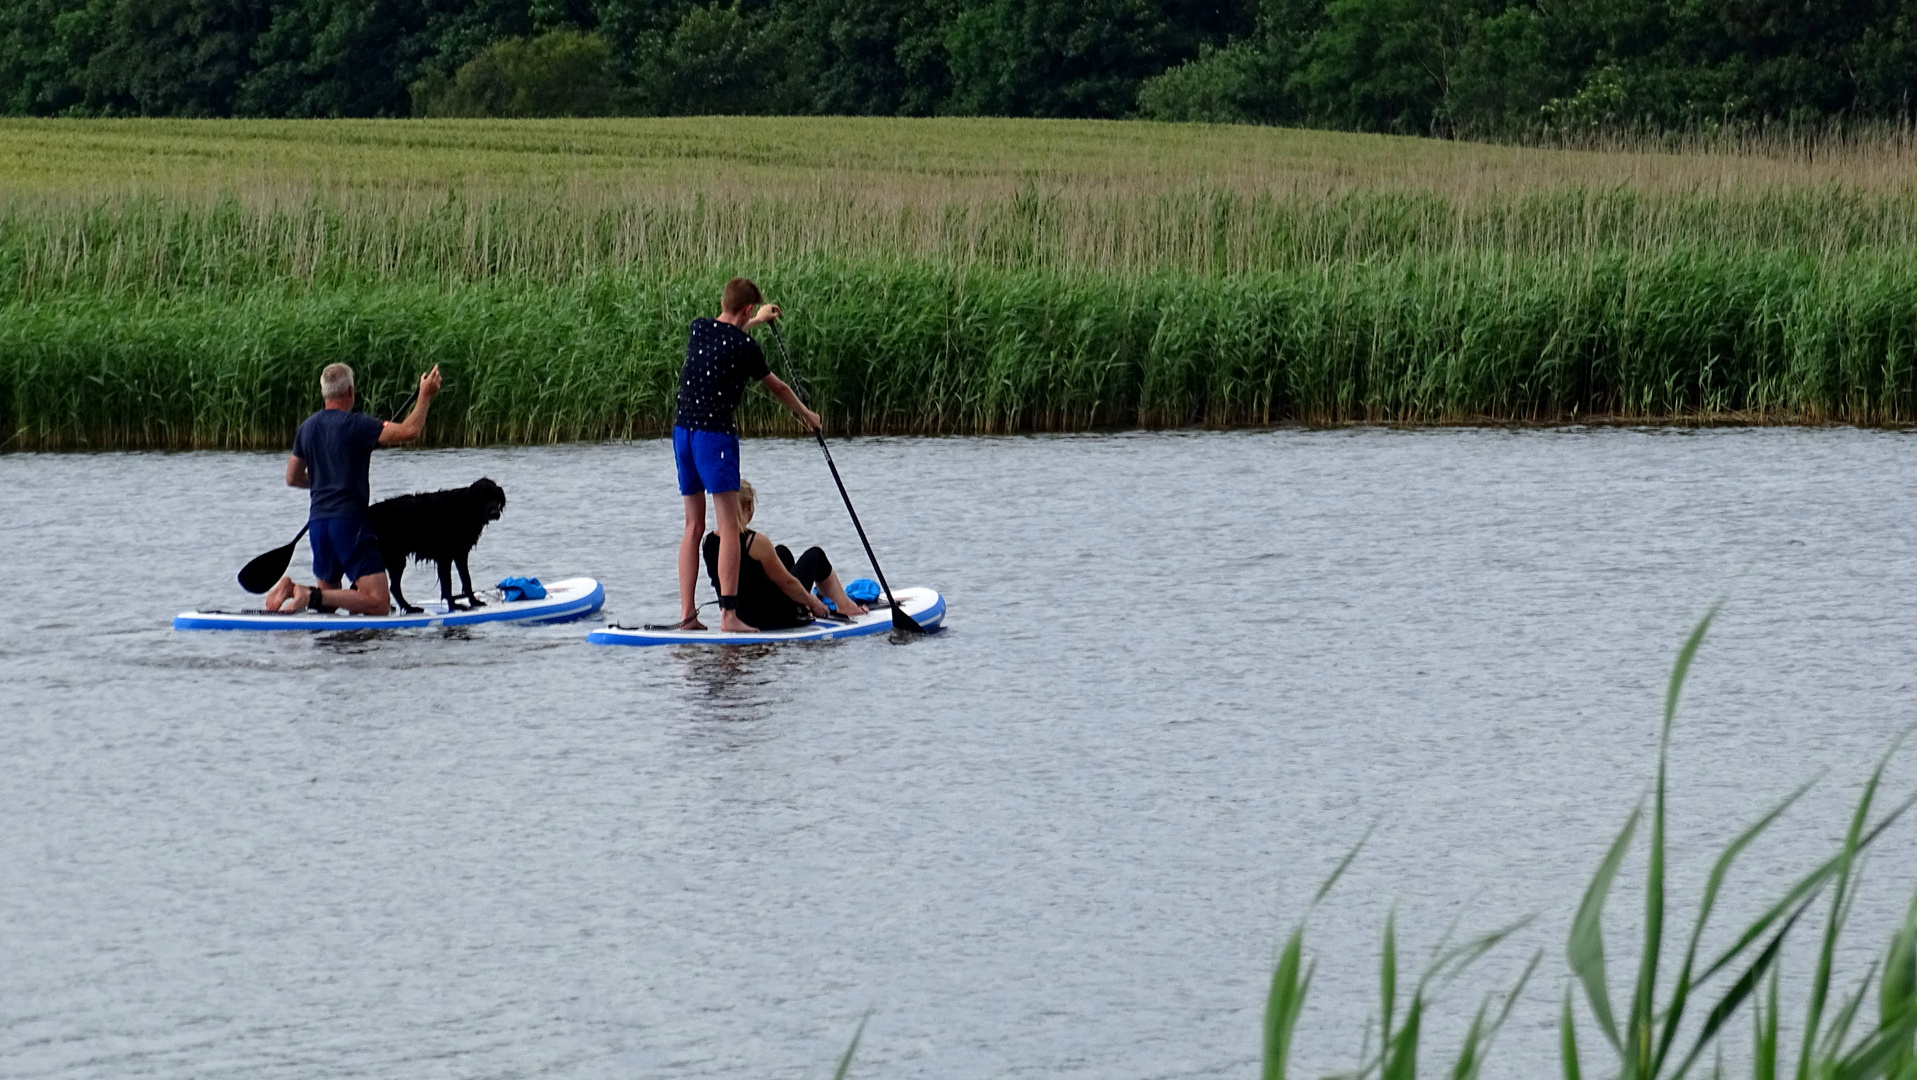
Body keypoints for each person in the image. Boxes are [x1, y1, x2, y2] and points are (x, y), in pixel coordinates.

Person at [673, 277, 821, 632]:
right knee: (727, 527)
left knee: (694, 526)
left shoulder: (699, 329)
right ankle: (729, 616)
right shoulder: (747, 350)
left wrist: (756, 320)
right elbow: (780, 388)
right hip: (714, 438)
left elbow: (729, 330)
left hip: (682, 433)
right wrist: (807, 415)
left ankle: (688, 615)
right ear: (747, 309)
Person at [263, 362, 442, 615]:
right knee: (379, 604)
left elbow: (292, 478)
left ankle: (295, 590)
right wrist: (424, 395)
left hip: (318, 525)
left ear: (324, 393)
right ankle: (303, 593)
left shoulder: (307, 428)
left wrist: (326, 480)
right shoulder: (357, 425)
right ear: (350, 392)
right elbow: (410, 430)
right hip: (349, 525)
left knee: (330, 602)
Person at [701, 479, 867, 631]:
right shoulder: (755, 541)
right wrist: (814, 603)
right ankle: (846, 606)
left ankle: (807, 603)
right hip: (775, 618)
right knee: (815, 556)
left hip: (740, 616)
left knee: (782, 553)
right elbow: (787, 582)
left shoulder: (708, 542)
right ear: (750, 506)